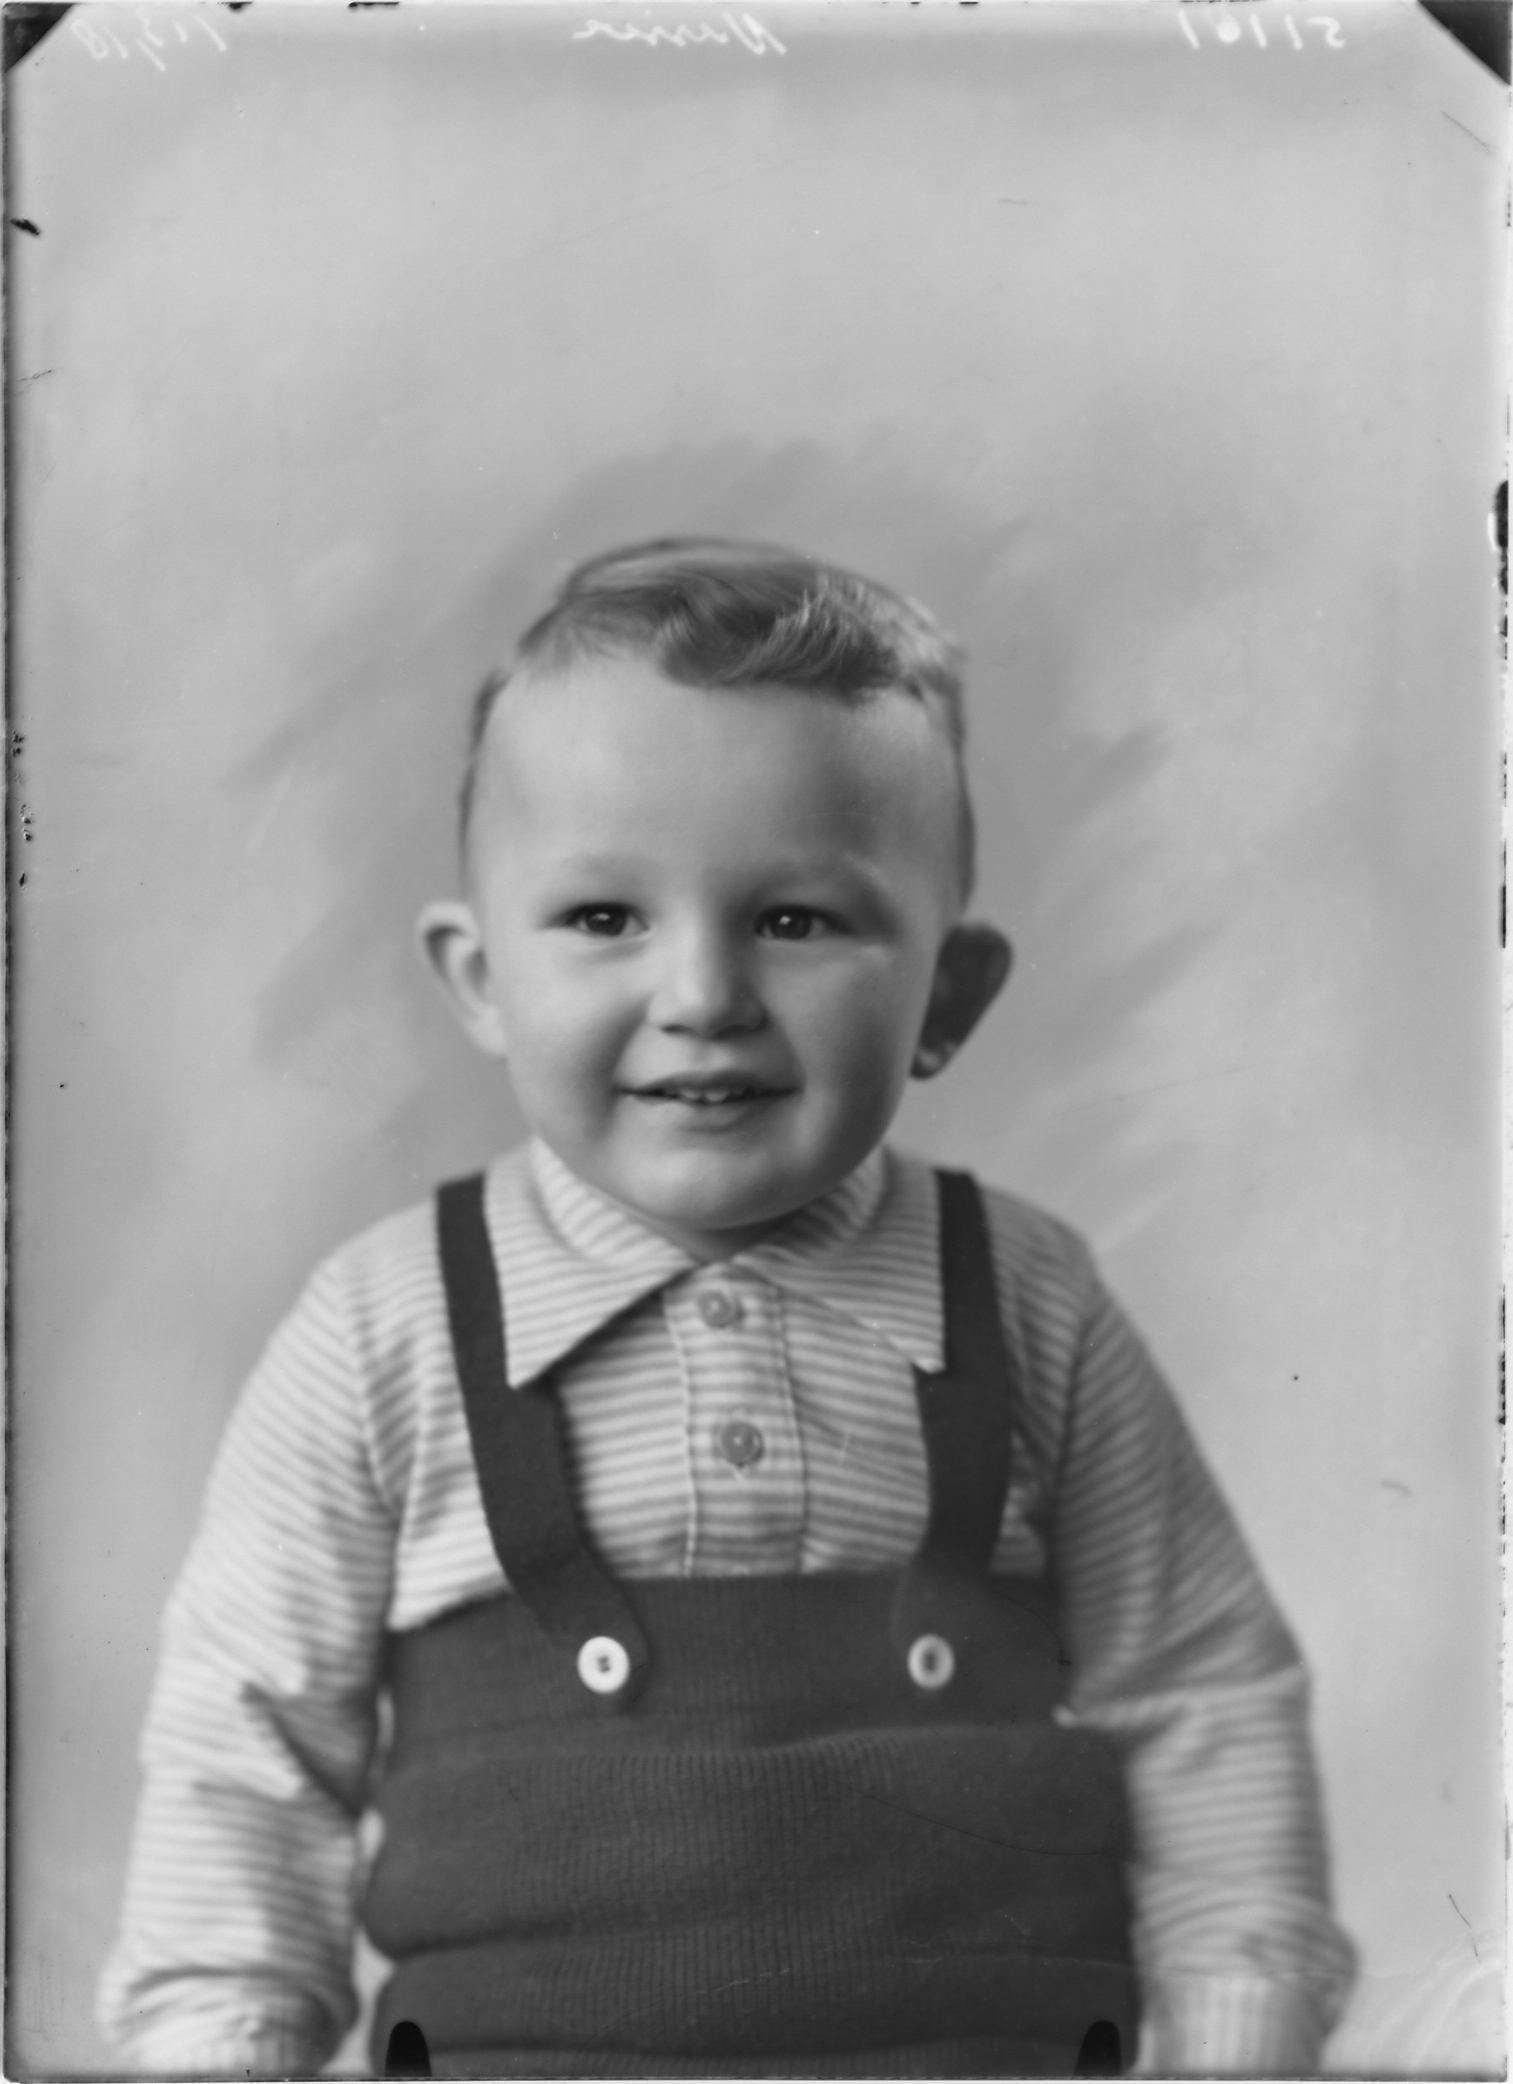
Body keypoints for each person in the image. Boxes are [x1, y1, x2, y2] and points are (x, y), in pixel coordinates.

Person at [98, 539, 1355, 2079]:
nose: (702, 994)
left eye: (795, 921)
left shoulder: (1030, 1302)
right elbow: (246, 1753)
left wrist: (1238, 2040)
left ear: (947, 995)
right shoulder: (381, 1328)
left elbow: (1203, 1697)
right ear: (478, 977)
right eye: (602, 917)